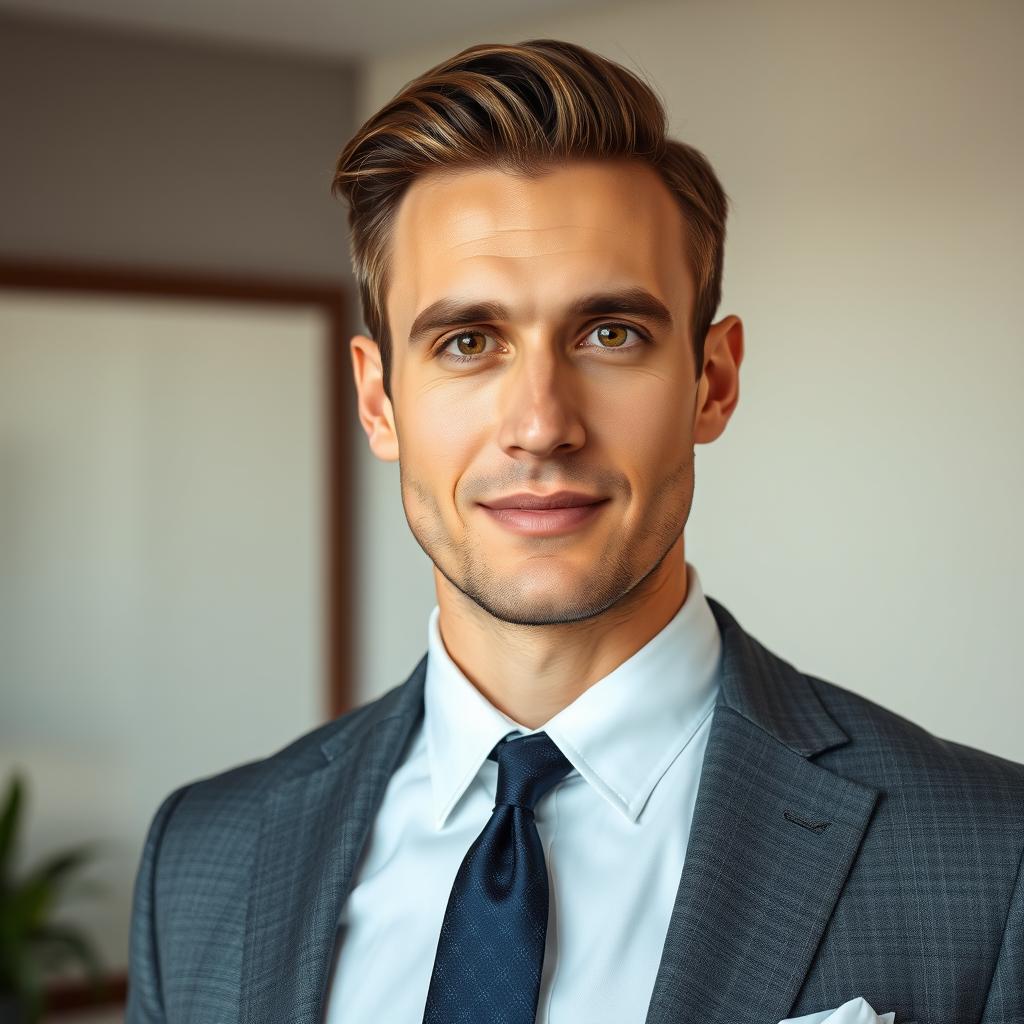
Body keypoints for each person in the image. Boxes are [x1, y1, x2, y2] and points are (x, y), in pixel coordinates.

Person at [126, 39, 1023, 1024]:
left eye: (611, 334)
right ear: (379, 401)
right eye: (468, 342)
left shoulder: (992, 855)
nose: (542, 423)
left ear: (711, 380)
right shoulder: (200, 858)